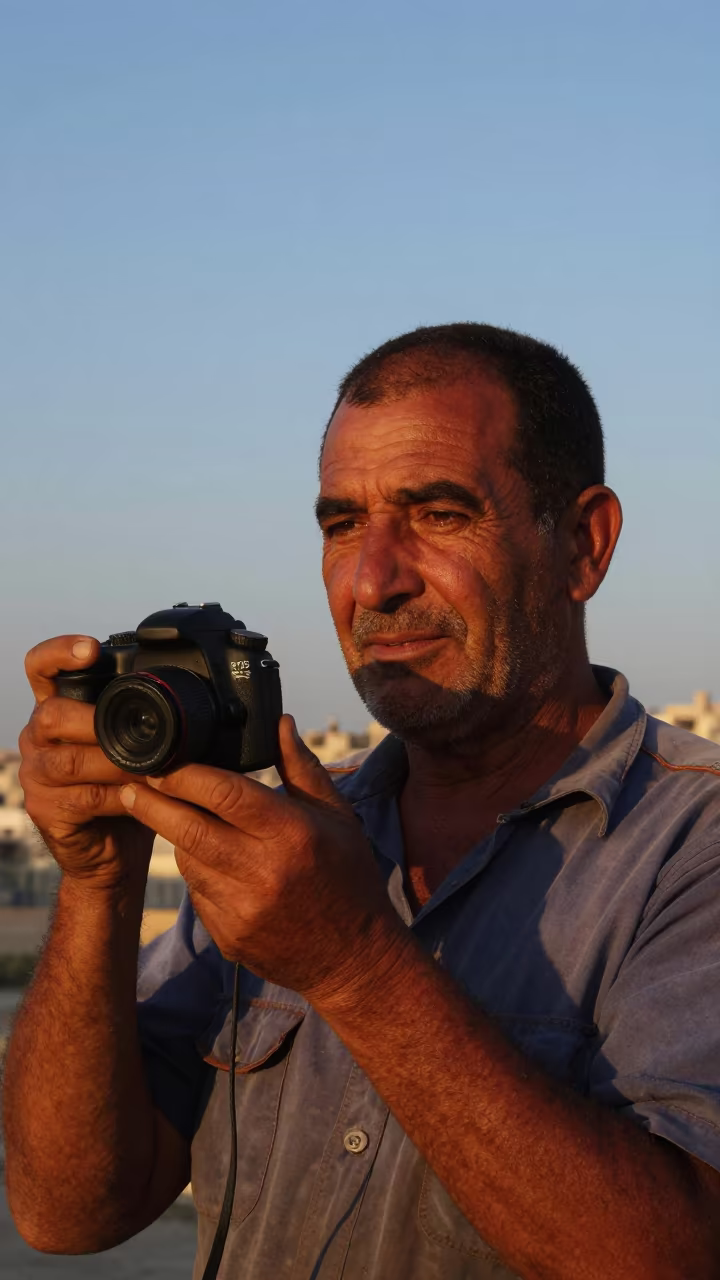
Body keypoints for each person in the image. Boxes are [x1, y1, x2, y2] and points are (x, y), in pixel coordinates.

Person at [5, 323, 720, 1280]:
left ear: (582, 546)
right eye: (342, 525)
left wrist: (353, 965)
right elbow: (67, 1212)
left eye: (439, 514)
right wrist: (98, 882)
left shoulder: (692, 845)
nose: (372, 581)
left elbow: (676, 1256)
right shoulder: (287, 836)